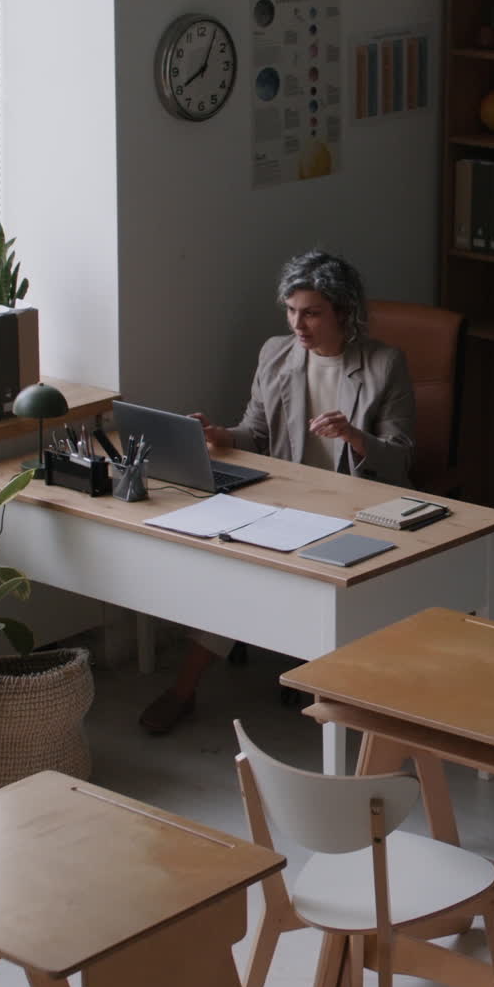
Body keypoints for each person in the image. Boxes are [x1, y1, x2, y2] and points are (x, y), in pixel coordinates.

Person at [139, 249, 416, 733]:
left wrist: (354, 436)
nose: (298, 325)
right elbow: (257, 434)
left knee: (318, 579)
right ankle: (184, 691)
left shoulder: (383, 364)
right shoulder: (277, 353)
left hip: (358, 503)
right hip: (288, 498)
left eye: (311, 313)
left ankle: (322, 675)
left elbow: (400, 457)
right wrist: (222, 437)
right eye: (291, 311)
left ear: (343, 313)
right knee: (234, 573)